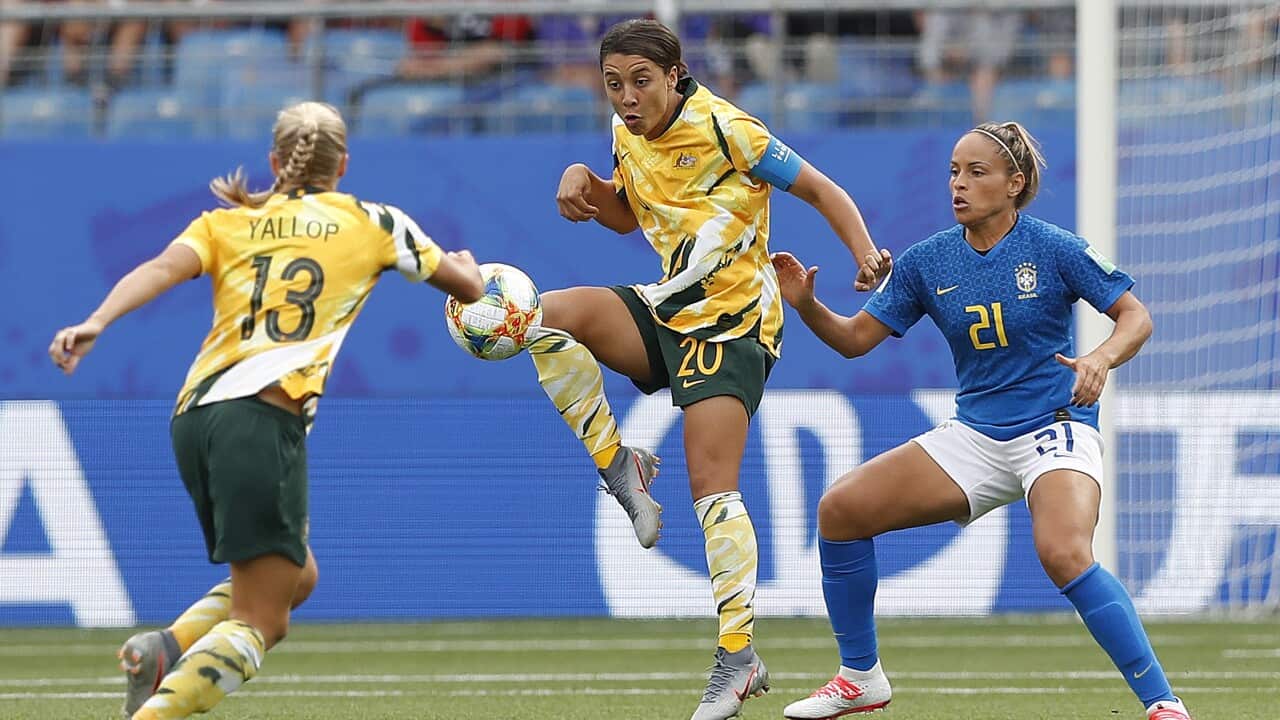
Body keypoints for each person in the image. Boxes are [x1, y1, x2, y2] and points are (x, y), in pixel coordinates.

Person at [48, 101, 484, 720]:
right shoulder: (373, 221)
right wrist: (465, 266)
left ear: (276, 162)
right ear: (344, 165)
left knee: (295, 574)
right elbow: (469, 290)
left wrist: (96, 321)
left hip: (195, 418)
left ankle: (166, 646)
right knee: (261, 620)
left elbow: (158, 268)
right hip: (262, 418)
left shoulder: (227, 223)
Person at [772, 121, 1193, 720]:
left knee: (1064, 551)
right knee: (840, 512)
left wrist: (1101, 357)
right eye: (952, 171)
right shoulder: (926, 261)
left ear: (1014, 183)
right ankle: (859, 677)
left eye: (976, 172)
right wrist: (809, 305)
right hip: (975, 434)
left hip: (1055, 424)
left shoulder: (1054, 247)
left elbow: (1135, 315)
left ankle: (1163, 705)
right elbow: (855, 341)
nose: (958, 185)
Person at [537, 18, 889, 720]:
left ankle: (738, 657)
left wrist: (865, 252)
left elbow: (820, 189)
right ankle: (619, 465)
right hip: (667, 309)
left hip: (732, 325)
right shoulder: (624, 132)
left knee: (712, 489)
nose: (627, 97)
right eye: (614, 84)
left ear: (674, 74)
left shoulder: (729, 128)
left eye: (641, 80)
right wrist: (583, 184)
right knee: (539, 316)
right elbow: (626, 217)